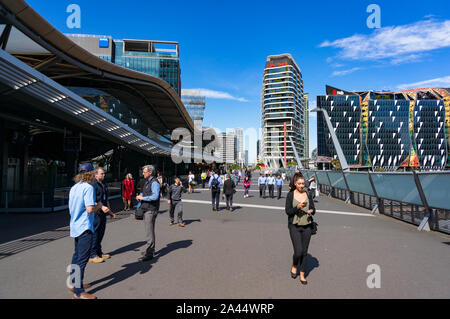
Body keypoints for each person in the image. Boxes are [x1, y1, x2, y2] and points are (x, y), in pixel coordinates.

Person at [68, 163, 102, 299]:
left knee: (76, 256)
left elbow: (71, 208)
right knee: (82, 259)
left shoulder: (74, 187)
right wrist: (98, 206)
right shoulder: (88, 188)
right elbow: (89, 209)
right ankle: (78, 291)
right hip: (85, 227)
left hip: (75, 225)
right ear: (91, 174)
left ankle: (74, 283)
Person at [285, 172, 316, 285]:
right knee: (298, 252)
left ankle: (302, 274)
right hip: (294, 226)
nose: (302, 185)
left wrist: (311, 211)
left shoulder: (307, 194)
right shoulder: (290, 195)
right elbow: (288, 211)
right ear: (295, 183)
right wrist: (297, 207)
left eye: (303, 183)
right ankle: (294, 265)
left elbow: (313, 208)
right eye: (299, 183)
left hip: (307, 226)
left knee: (304, 251)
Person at [89, 167, 116, 264]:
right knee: (95, 233)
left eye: (104, 173)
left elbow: (106, 200)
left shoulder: (104, 184)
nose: (104, 175)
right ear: (95, 175)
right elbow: (92, 201)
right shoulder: (93, 185)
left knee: (101, 233)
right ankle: (92, 254)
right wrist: (101, 207)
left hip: (103, 213)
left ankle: (99, 252)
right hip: (96, 213)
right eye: (102, 173)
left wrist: (110, 212)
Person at [136, 165, 160, 262]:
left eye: (144, 172)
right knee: (149, 231)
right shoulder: (147, 181)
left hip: (151, 209)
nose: (143, 173)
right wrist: (140, 196)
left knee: (149, 232)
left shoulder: (154, 182)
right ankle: (150, 250)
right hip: (147, 209)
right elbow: (144, 192)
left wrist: (143, 198)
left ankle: (149, 253)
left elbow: (155, 196)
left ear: (150, 172)